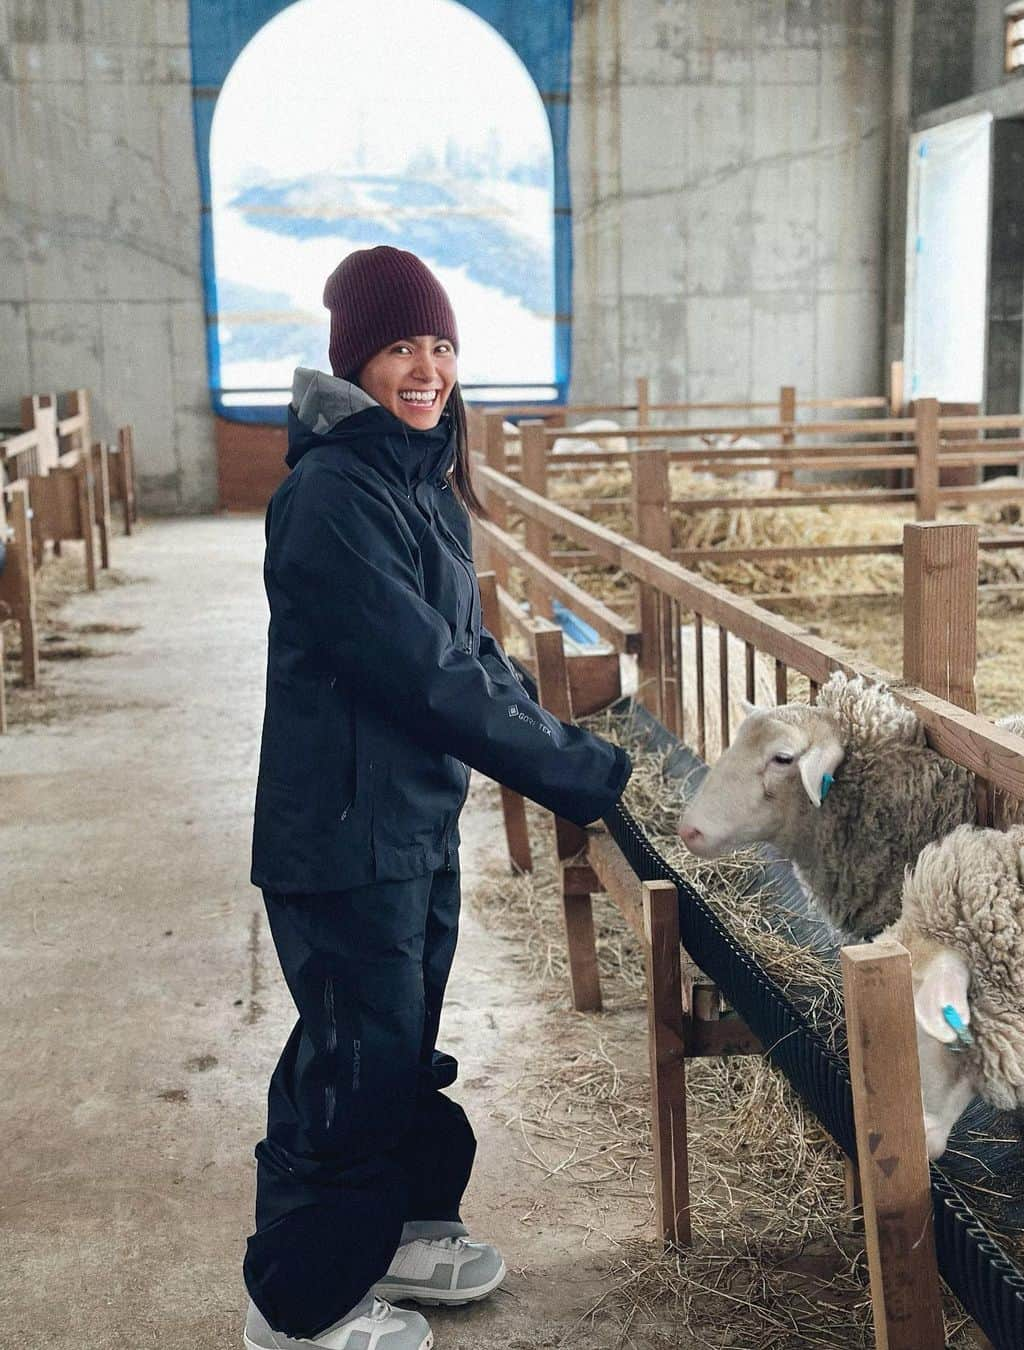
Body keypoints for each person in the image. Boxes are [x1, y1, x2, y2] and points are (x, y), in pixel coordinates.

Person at [242, 245, 632, 1350]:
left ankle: (404, 1231)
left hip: (406, 823)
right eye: (403, 345)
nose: (427, 368)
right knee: (354, 1051)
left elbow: (474, 652)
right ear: (356, 358)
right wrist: (575, 774)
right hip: (342, 832)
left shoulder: (417, 483)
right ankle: (299, 1303)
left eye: (443, 346)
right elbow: (428, 674)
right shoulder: (331, 497)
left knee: (404, 1039)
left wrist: (569, 742)